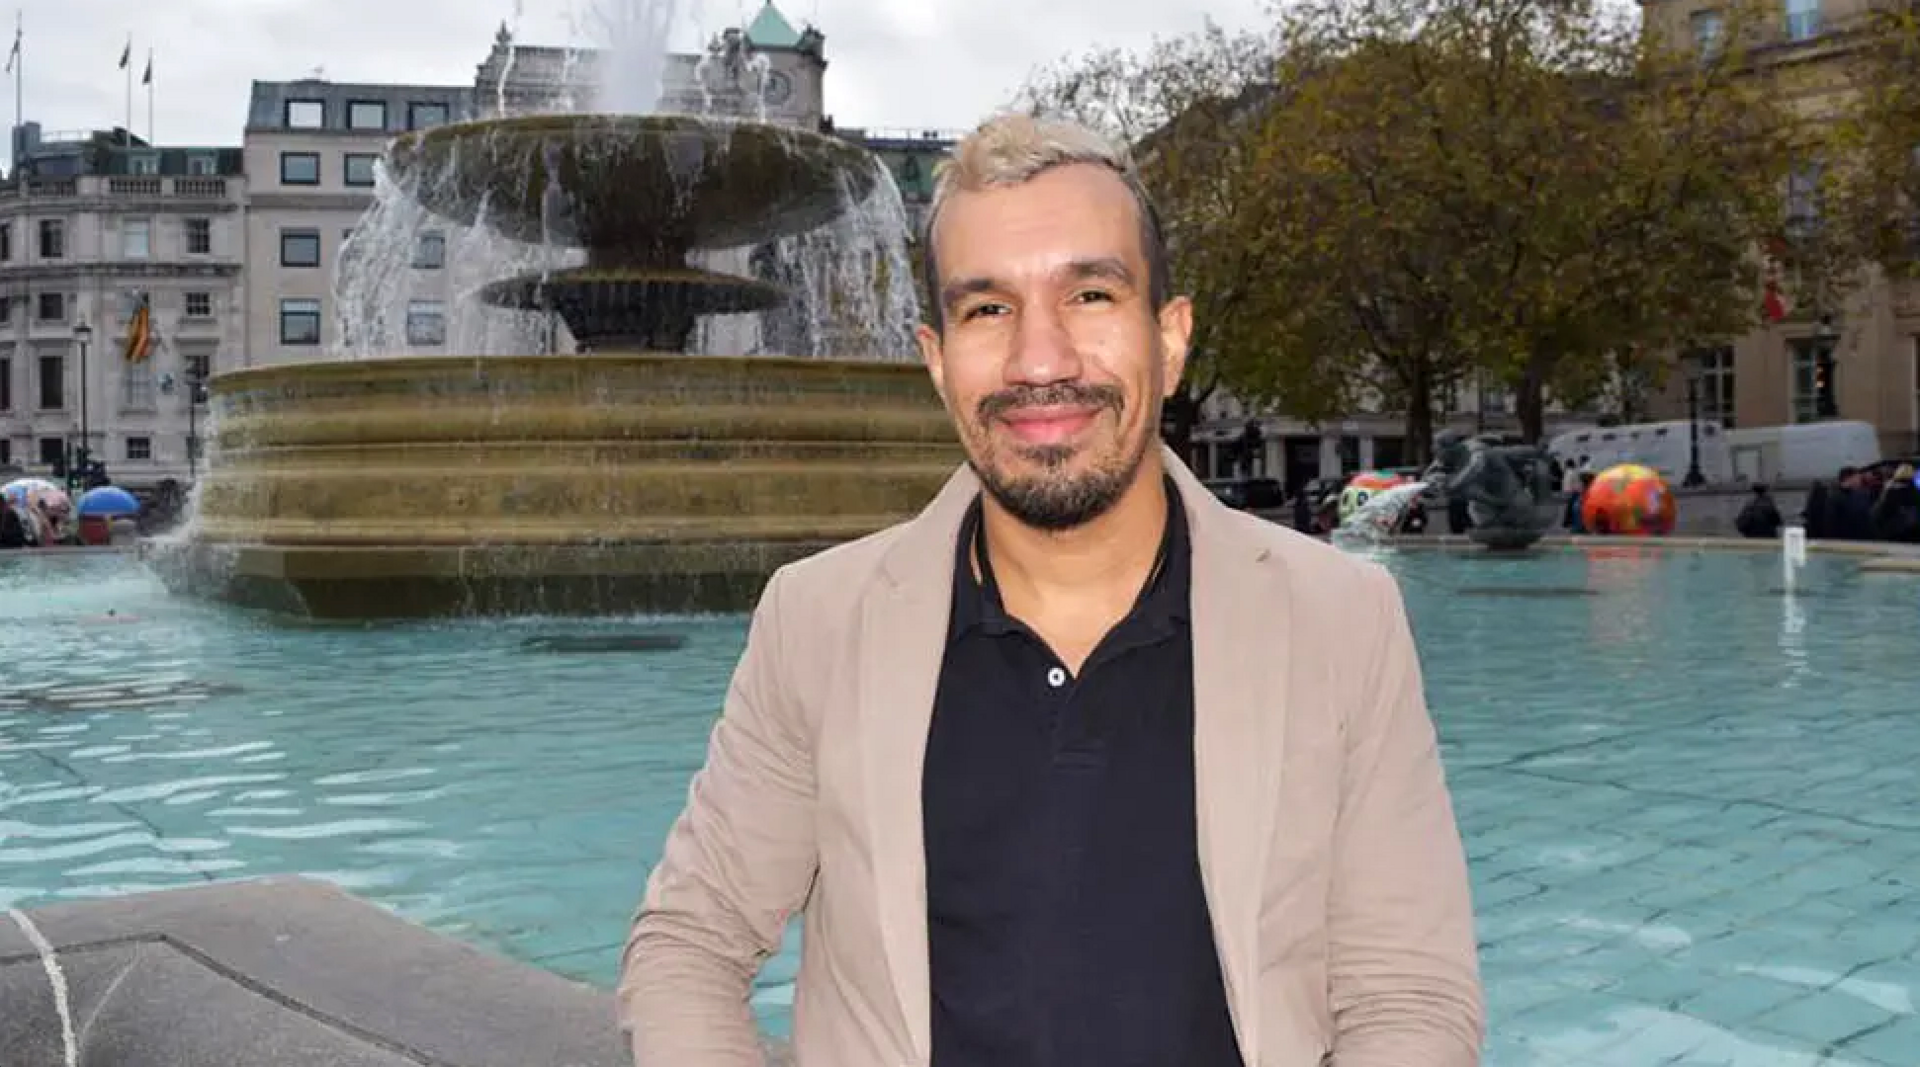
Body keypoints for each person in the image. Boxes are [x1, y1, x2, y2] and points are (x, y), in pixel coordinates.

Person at [618, 113, 1483, 1067]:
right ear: (938, 360)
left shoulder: (1340, 621)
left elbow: (1408, 998)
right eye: (988, 308)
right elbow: (690, 942)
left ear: (1172, 337)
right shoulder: (818, 620)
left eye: (1091, 294)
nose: (1041, 361)